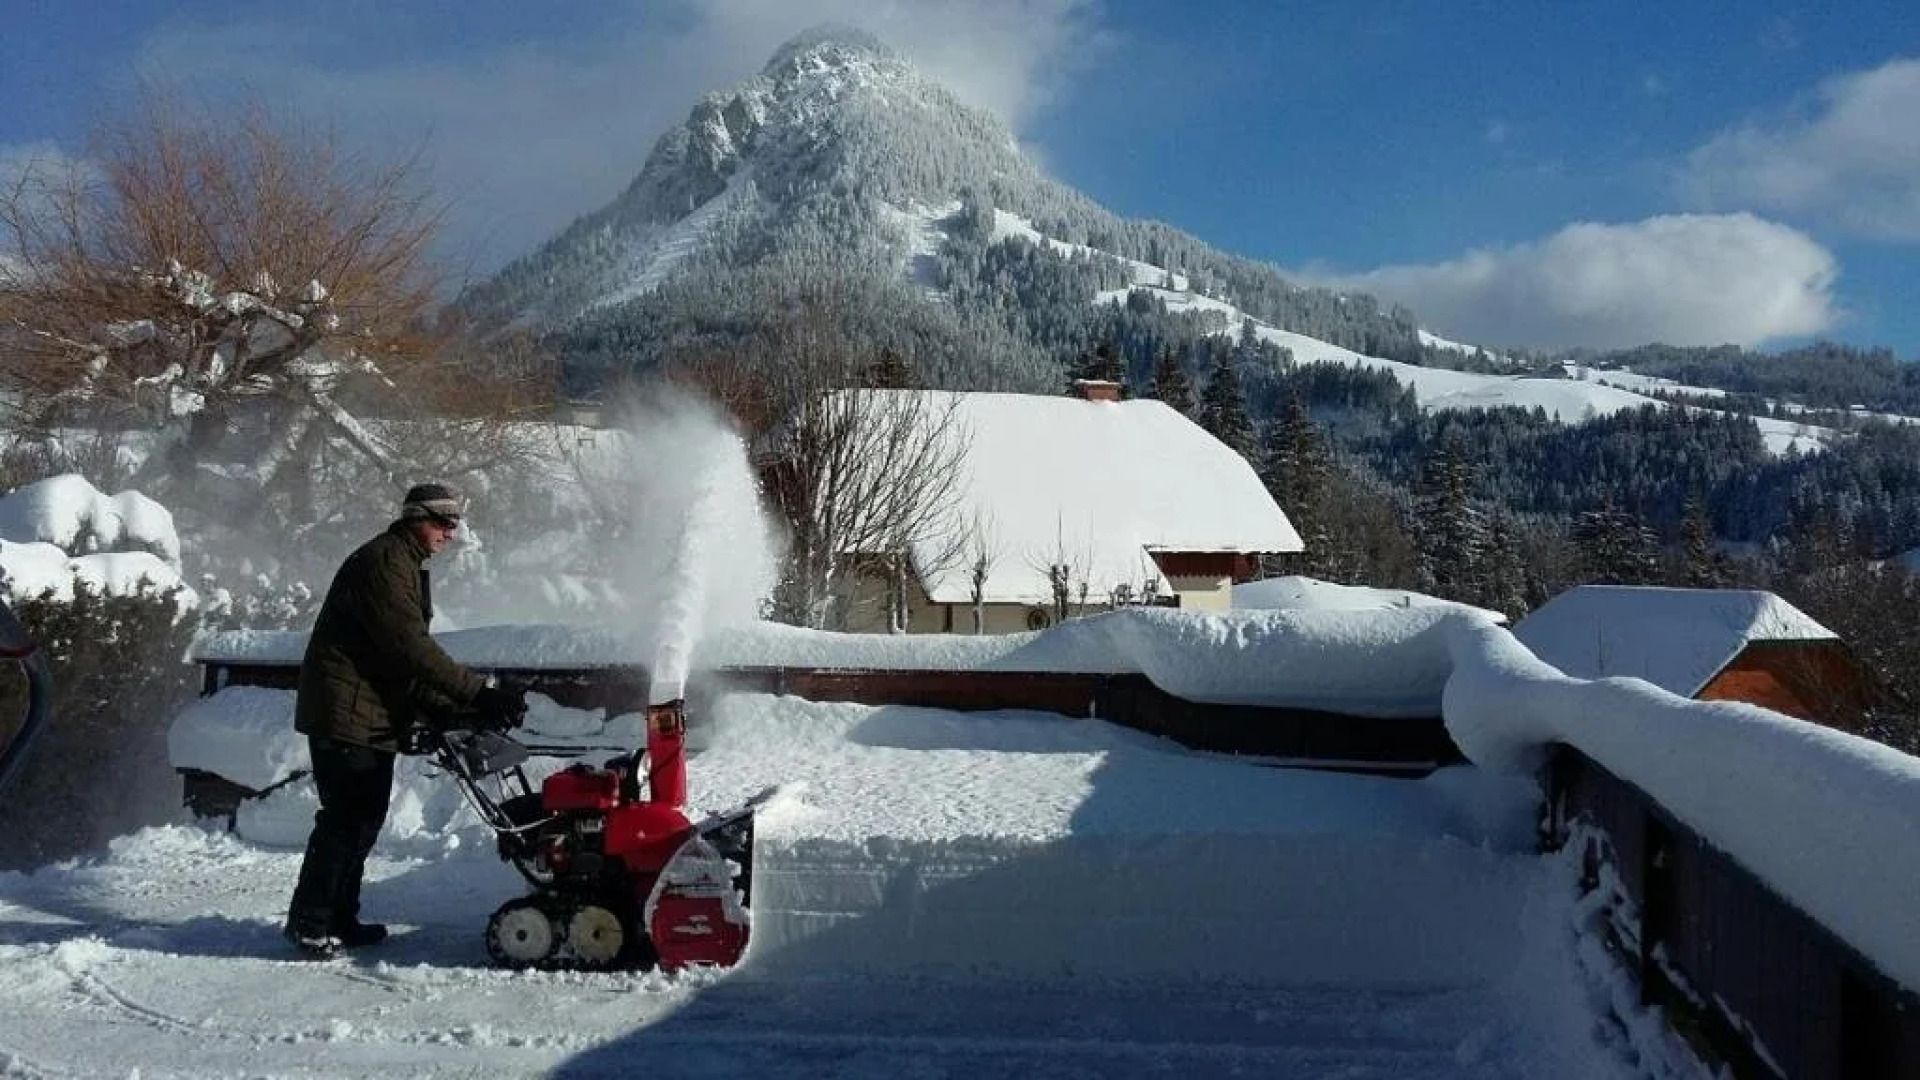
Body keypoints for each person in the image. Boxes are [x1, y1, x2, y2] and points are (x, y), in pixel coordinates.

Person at [283, 482, 527, 959]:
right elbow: (409, 648)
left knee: (364, 819)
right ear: (416, 517)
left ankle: (339, 917)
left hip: (367, 710)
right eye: (442, 523)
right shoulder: (385, 562)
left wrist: (455, 707)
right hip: (344, 710)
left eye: (454, 525)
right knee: (345, 819)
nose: (450, 534)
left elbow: (397, 659)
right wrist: (479, 693)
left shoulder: (405, 563)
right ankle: (310, 922)